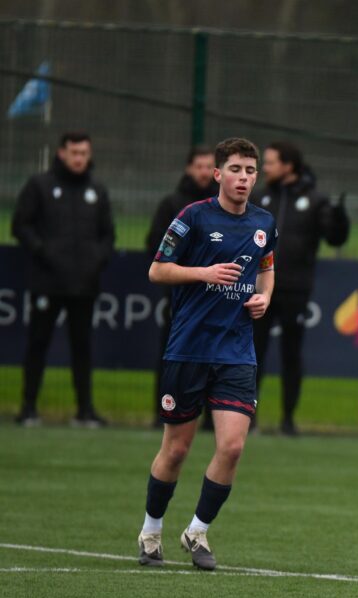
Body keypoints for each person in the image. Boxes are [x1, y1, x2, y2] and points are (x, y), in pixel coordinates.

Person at [136, 137, 276, 571]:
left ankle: (197, 531)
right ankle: (151, 530)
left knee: (232, 446)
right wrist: (204, 273)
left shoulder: (264, 221)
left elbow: (268, 269)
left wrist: (264, 297)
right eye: (235, 169)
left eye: (250, 171)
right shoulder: (192, 217)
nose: (243, 178)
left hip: (236, 351)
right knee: (176, 449)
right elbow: (157, 269)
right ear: (218, 174)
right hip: (189, 349)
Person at [12, 131, 115, 428]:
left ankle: (85, 410)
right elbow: (21, 225)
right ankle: (28, 407)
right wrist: (43, 251)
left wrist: (98, 259)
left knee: (82, 346)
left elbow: (108, 234)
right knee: (38, 343)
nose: (79, 158)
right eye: (74, 152)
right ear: (62, 153)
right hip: (47, 281)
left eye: (84, 153)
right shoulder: (40, 186)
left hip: (84, 284)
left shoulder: (97, 190)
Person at [252, 141, 349, 435]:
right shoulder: (260, 197)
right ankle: (247, 416)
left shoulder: (315, 199)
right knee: (252, 353)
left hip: (295, 289)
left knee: (291, 354)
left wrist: (339, 219)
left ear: (288, 166)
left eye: (269, 163)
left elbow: (334, 238)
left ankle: (287, 419)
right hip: (258, 288)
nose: (264, 168)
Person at [145, 145, 218, 428]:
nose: (203, 172)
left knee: (217, 358)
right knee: (173, 355)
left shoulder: (224, 208)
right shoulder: (173, 204)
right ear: (189, 168)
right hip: (182, 297)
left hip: (218, 298)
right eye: (198, 166)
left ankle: (214, 417)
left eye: (208, 167)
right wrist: (190, 270)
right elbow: (154, 247)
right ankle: (163, 410)